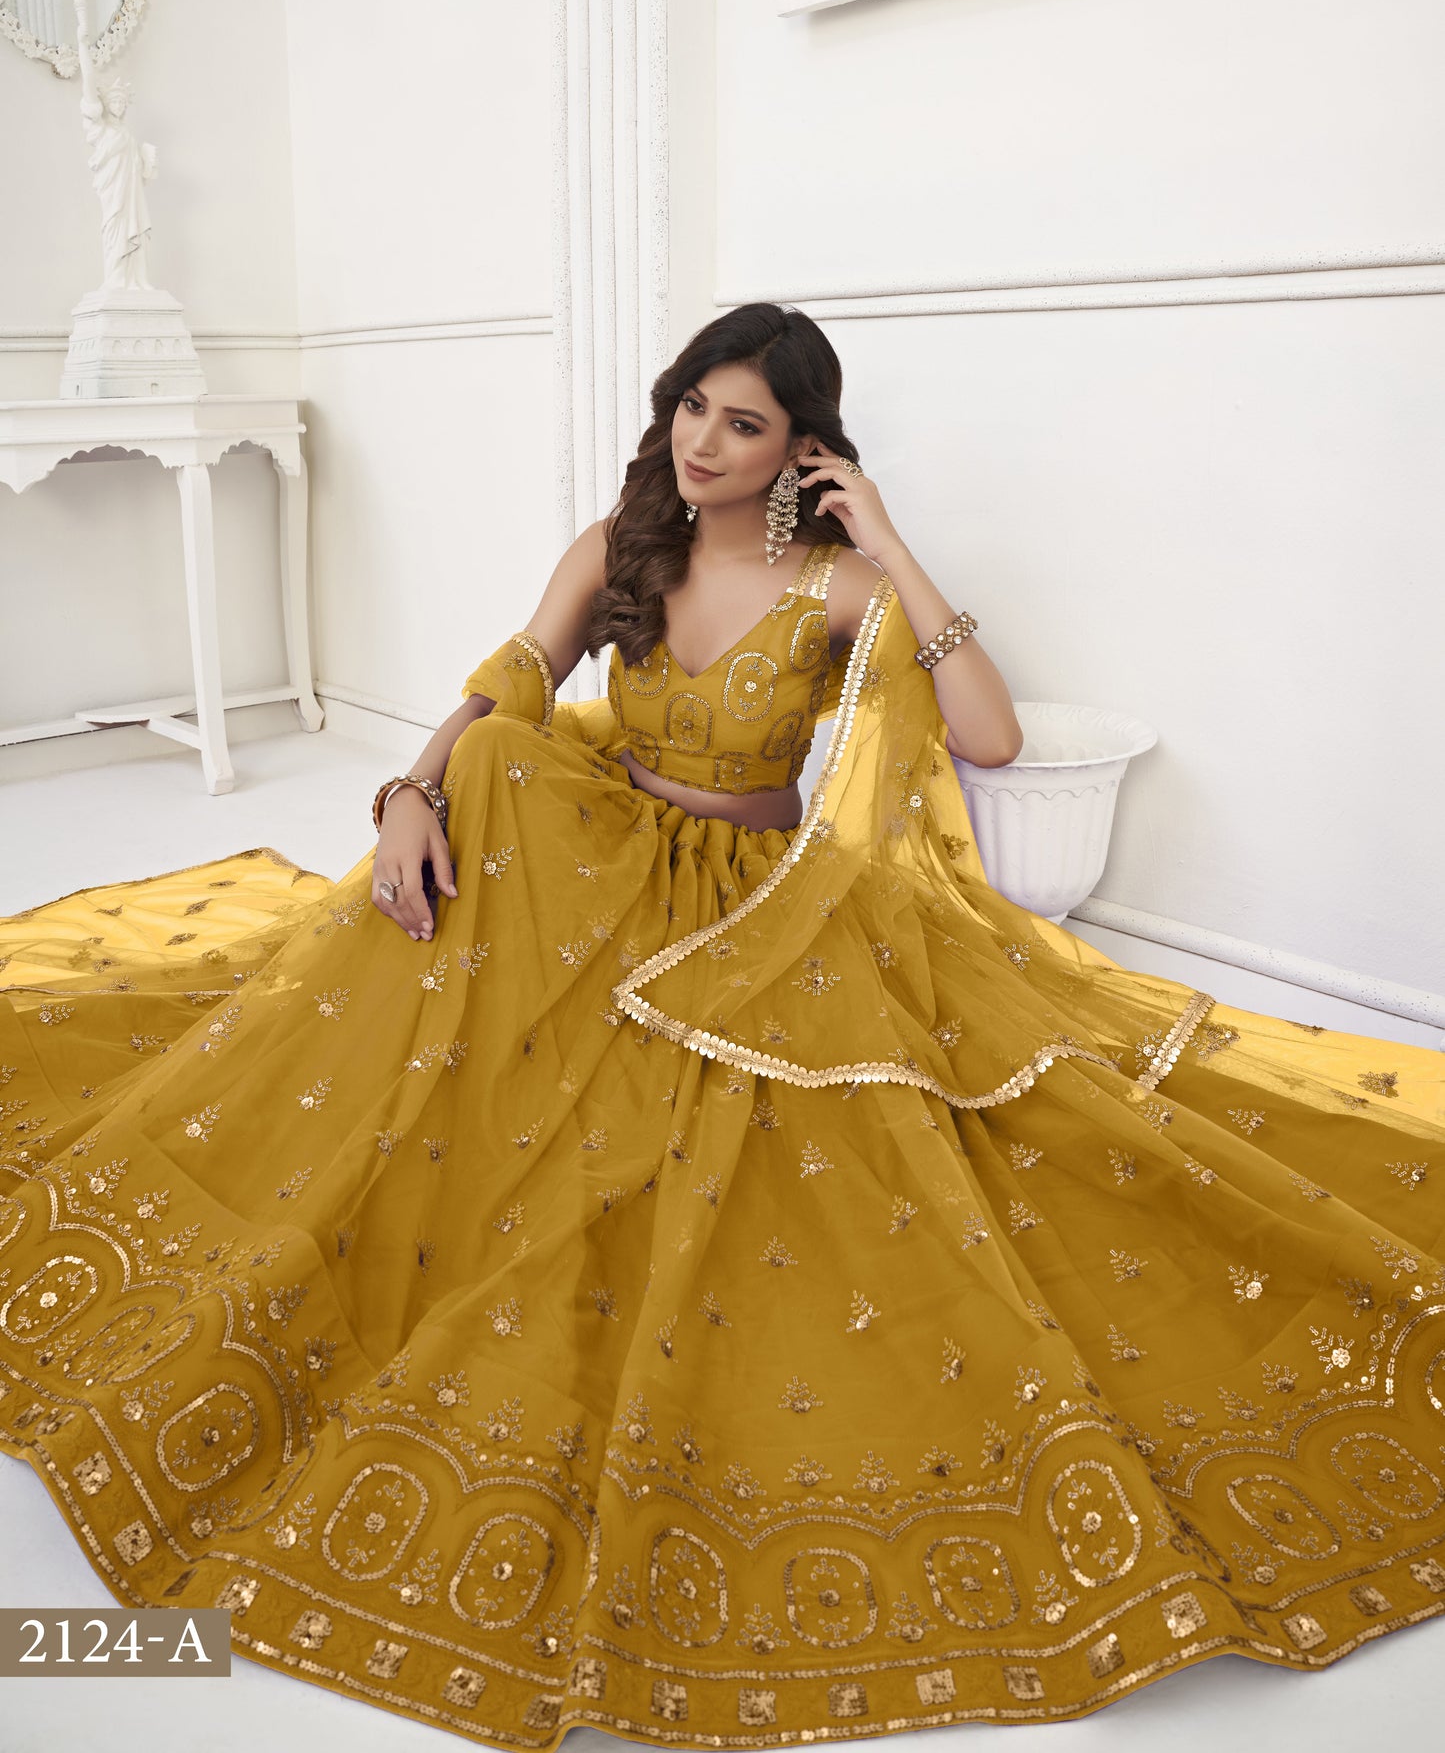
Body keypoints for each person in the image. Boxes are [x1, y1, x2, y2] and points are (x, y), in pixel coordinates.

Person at [2, 301, 1442, 1750]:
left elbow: (987, 735)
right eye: (695, 403)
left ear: (799, 448)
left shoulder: (828, 587)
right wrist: (405, 799)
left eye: (743, 422)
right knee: (500, 761)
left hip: (754, 907)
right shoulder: (622, 545)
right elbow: (502, 689)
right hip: (592, 859)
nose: (704, 439)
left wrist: (883, 539)